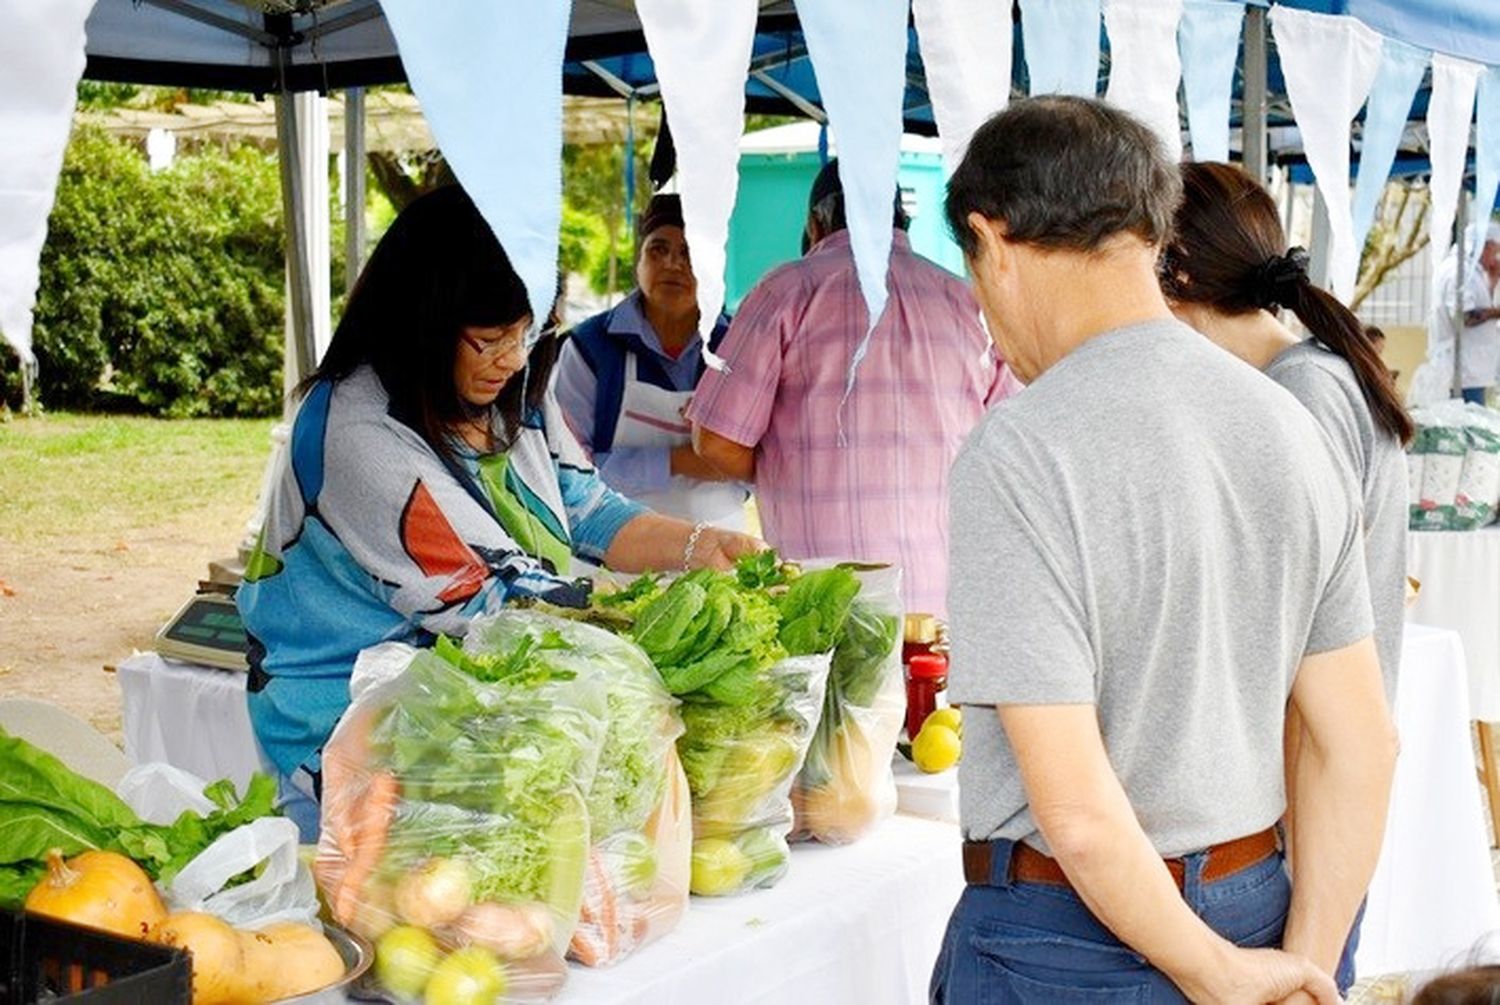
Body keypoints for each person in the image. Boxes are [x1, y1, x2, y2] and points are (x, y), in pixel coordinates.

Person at [930, 96, 1397, 1004]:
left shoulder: (1021, 449)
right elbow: (1361, 745)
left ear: (992, 241)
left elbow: (1078, 813)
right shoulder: (1289, 427)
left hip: (1064, 941)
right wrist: (1299, 964)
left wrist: (1218, 974)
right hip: (1256, 902)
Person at [237, 186, 760, 840]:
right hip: (354, 746)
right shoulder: (355, 431)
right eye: (489, 339)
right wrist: (681, 636)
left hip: (473, 721)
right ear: (423, 321)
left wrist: (699, 548)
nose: (512, 359)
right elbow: (498, 599)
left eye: (526, 332)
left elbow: (587, 506)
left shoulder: (513, 392)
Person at [687, 158, 1020, 618]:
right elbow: (1005, 448)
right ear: (902, 218)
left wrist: (794, 465)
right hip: (942, 603)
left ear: (815, 221)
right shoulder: (966, 301)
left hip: (819, 601)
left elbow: (715, 439)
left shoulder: (785, 290)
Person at [1162, 161, 1413, 708]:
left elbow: (1291, 605)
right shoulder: (1306, 376)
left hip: (1312, 742)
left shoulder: (1303, 392)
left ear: (1176, 274)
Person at [554, 194, 747, 530]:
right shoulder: (590, 347)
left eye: (690, 253)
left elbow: (765, 461)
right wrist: (680, 461)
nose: (673, 263)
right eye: (658, 249)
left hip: (721, 539)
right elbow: (567, 464)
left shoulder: (740, 346)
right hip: (614, 541)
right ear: (638, 261)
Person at [1423, 221, 1500, 405]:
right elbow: (1465, 316)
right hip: (1461, 371)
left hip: (1472, 369)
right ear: (1484, 246)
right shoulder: (1459, 271)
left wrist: (1492, 281)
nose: (1496, 259)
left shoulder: (1471, 272)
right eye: (1495, 251)